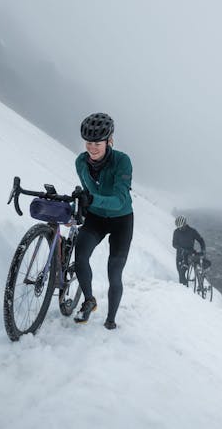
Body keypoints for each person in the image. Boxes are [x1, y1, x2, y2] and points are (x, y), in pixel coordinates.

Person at [73, 113, 133, 330]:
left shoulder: (122, 161)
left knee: (114, 271)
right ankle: (89, 300)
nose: (92, 148)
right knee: (80, 256)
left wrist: (91, 199)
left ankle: (111, 320)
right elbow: (87, 191)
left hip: (121, 220)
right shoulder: (81, 162)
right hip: (96, 217)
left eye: (97, 143)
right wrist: (83, 202)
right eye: (88, 142)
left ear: (109, 141)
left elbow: (120, 200)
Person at [172, 215, 207, 285]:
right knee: (181, 274)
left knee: (183, 271)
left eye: (182, 226)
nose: (180, 228)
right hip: (180, 255)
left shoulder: (192, 231)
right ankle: (184, 288)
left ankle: (188, 287)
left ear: (185, 223)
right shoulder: (176, 232)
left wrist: (203, 249)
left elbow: (200, 240)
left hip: (189, 254)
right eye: (179, 227)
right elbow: (174, 244)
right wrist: (181, 249)